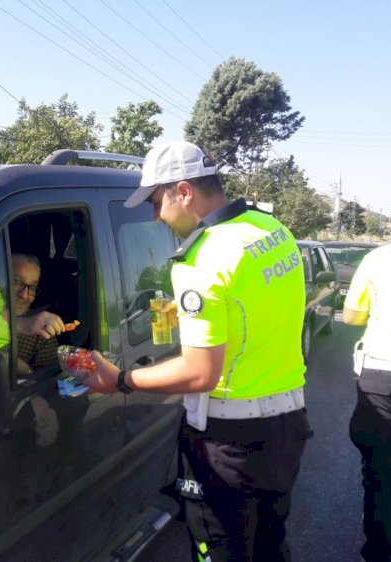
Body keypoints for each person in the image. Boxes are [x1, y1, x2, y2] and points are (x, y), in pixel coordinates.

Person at [83, 141, 313, 561]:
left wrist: (118, 379)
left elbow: (200, 372)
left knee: (219, 549)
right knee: (269, 547)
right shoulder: (271, 229)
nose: (155, 216)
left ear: (183, 191)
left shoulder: (201, 257)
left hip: (228, 445)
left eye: (156, 201)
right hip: (286, 428)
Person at [343, 190, 391, 562]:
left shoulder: (379, 258)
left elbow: (352, 317)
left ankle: (379, 553)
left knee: (382, 479)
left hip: (385, 378)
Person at [11, 252, 66, 375]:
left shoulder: (42, 333)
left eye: (32, 287)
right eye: (16, 282)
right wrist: (22, 324)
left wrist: (24, 370)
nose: (24, 295)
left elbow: (49, 384)